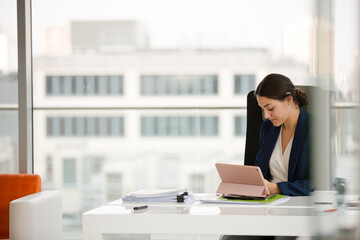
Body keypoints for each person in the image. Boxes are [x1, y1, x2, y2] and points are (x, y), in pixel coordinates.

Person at [221, 73, 310, 240]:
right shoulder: (268, 128)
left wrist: (277, 188)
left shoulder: (315, 128)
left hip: (298, 209)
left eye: (270, 108)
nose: (266, 116)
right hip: (268, 205)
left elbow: (320, 184)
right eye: (263, 110)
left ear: (289, 100)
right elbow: (259, 171)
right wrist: (245, 185)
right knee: (232, 236)